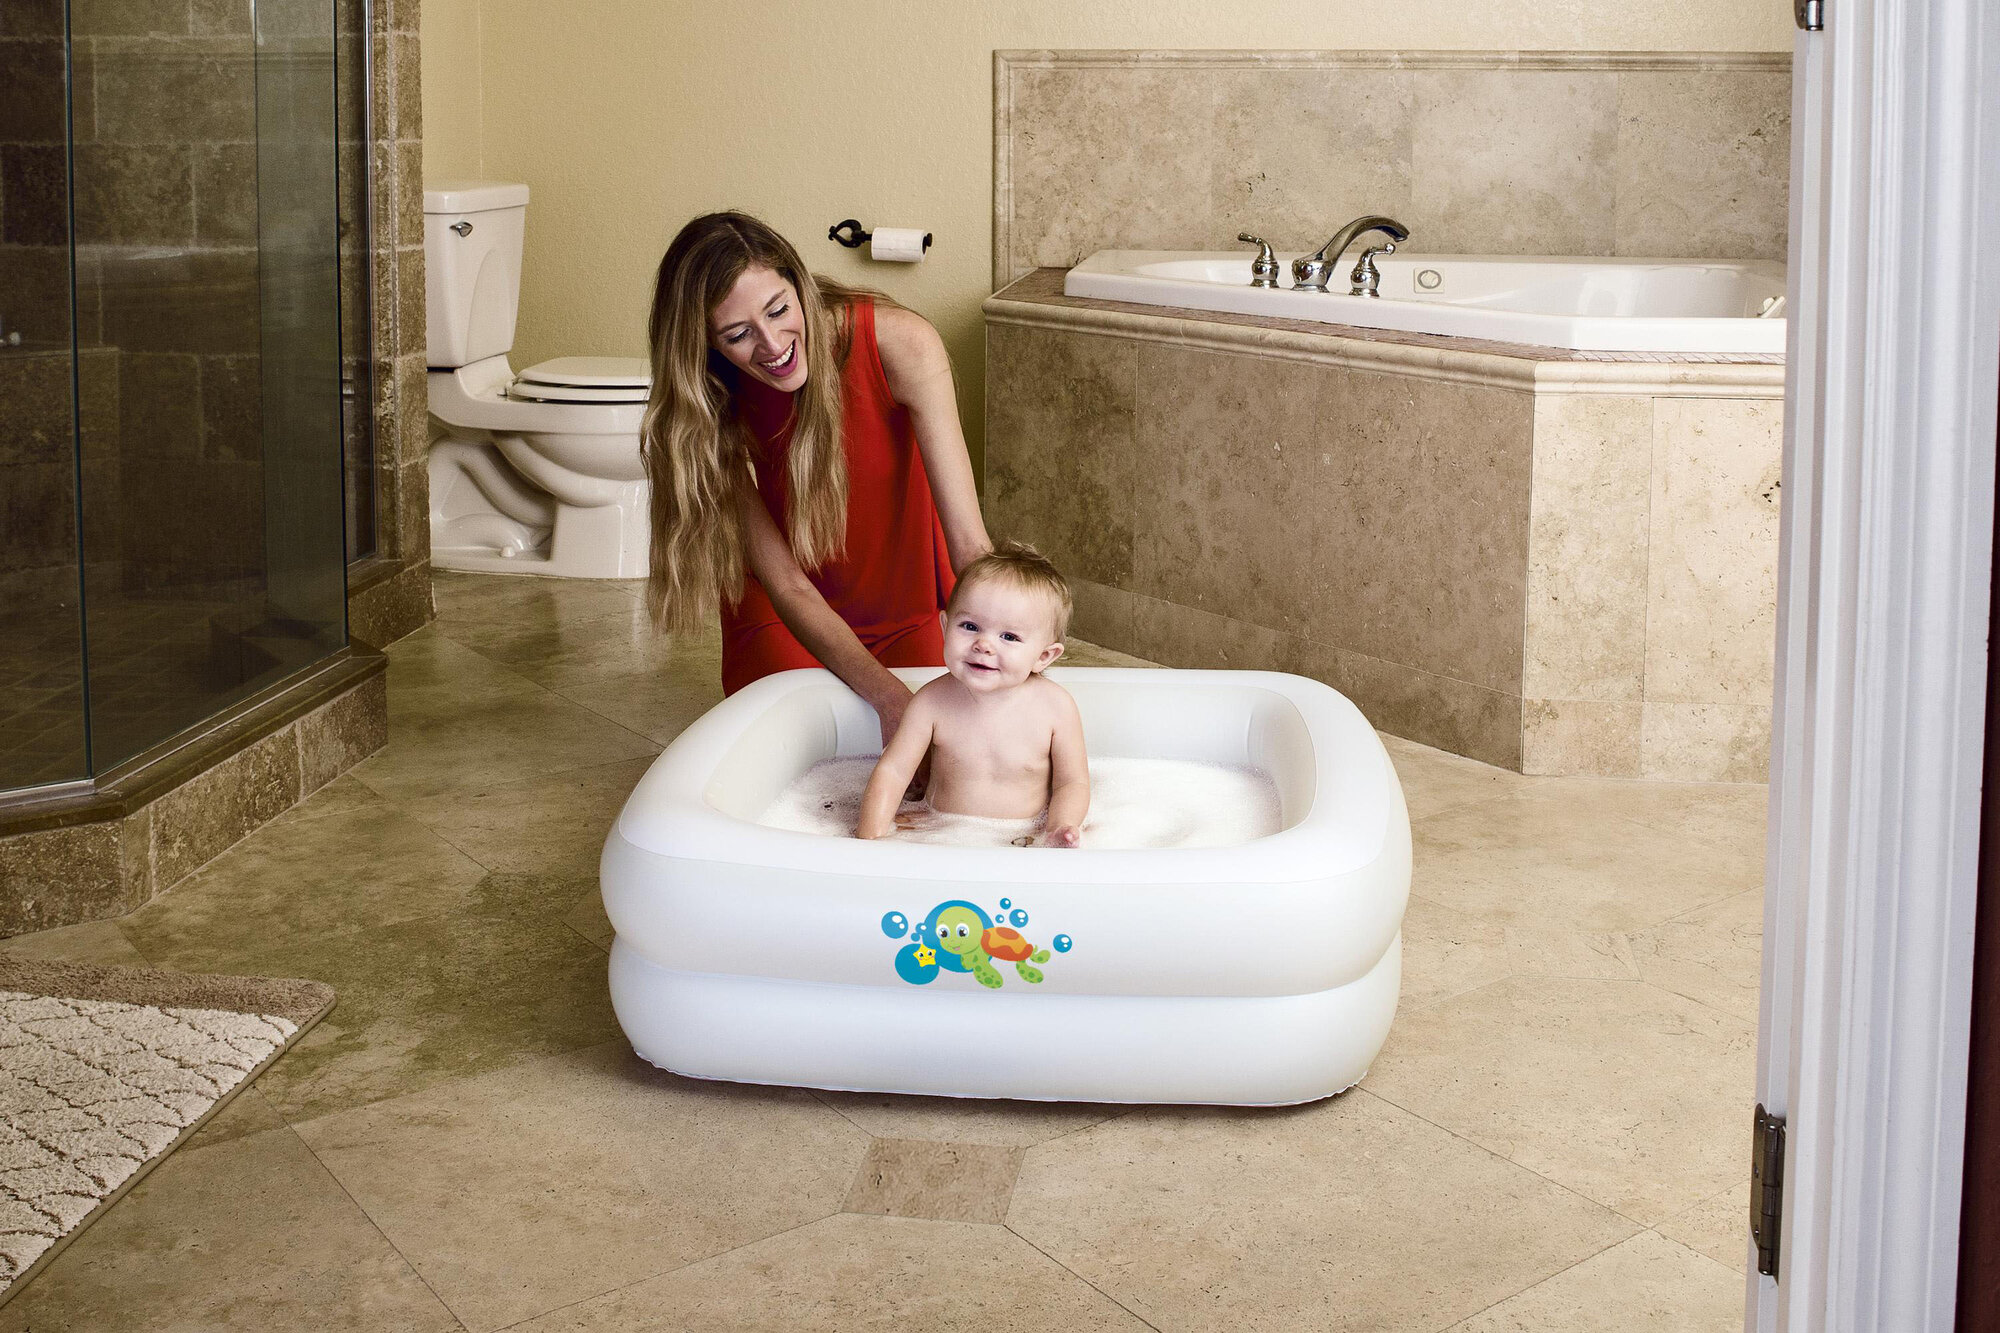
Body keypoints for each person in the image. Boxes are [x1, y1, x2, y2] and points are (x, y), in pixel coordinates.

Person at [640, 212, 991, 751]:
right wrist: (888, 698)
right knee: (804, 753)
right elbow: (787, 584)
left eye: (779, 309)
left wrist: (1015, 653)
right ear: (706, 345)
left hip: (903, 604)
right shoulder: (707, 404)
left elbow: (968, 543)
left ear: (798, 284)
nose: (772, 343)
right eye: (738, 335)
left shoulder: (901, 342)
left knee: (955, 748)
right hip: (785, 612)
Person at [855, 543, 1089, 848]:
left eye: (1009, 636)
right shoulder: (931, 702)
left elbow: (1072, 783)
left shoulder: (1056, 708)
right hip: (940, 835)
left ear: (1043, 656)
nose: (984, 644)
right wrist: (871, 837)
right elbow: (894, 771)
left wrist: (1058, 829)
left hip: (1023, 841)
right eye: (969, 626)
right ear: (945, 627)